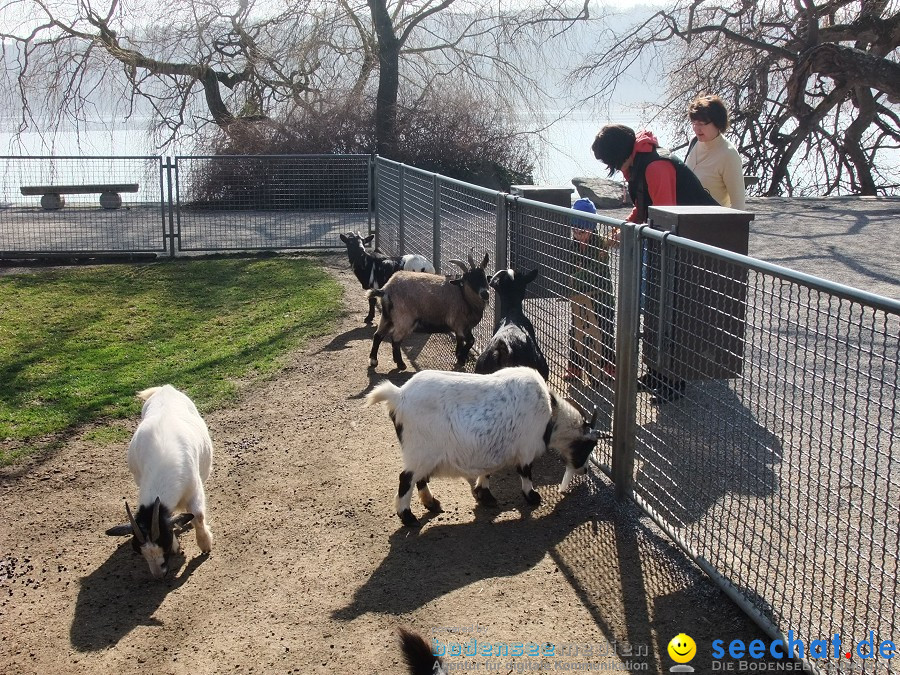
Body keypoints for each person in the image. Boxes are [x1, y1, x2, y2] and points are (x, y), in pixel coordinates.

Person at [591, 124, 719, 403]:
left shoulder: (655, 166)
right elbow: (644, 207)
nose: (608, 167)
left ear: (617, 155)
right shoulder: (638, 163)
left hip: (694, 241)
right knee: (655, 309)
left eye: (607, 161)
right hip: (672, 242)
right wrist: (623, 231)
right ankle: (656, 373)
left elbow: (665, 214)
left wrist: (636, 233)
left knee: (675, 310)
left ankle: (674, 379)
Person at [564, 197, 616, 385]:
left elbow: (594, 272)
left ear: (592, 228)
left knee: (605, 331)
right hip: (580, 298)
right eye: (575, 229)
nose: (578, 233)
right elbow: (568, 268)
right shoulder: (572, 246)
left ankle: (609, 366)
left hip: (602, 298)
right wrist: (570, 281)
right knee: (575, 331)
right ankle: (575, 368)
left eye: (583, 229)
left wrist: (573, 279)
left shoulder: (600, 246)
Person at [684, 94, 746, 210]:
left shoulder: (728, 155)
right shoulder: (694, 143)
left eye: (701, 124)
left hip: (713, 224)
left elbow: (739, 205)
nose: (696, 129)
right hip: (687, 222)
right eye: (694, 123)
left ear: (717, 123)